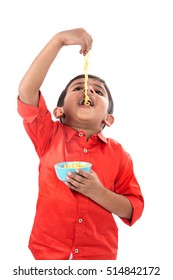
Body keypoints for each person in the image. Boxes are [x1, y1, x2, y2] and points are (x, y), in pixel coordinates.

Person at [17, 28, 144, 260]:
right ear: (59, 111)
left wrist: (97, 192)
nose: (87, 89)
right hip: (48, 256)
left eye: (98, 91)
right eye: (78, 88)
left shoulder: (118, 154)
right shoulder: (48, 135)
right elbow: (27, 92)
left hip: (98, 259)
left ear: (108, 118)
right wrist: (59, 40)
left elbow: (132, 207)